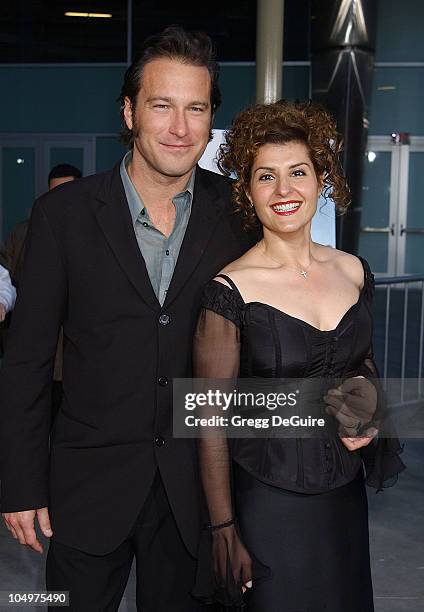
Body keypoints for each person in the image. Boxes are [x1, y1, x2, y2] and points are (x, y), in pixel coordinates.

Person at [0, 27, 255, 611]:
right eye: (161, 106)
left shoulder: (236, 214)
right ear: (129, 110)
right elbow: (27, 360)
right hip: (85, 490)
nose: (179, 128)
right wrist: (19, 484)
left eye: (196, 109)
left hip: (197, 494)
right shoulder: (61, 216)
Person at [192, 100, 405, 611]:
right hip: (268, 503)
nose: (284, 190)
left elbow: (363, 368)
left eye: (298, 172)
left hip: (342, 500)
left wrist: (369, 414)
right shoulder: (230, 289)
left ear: (321, 180)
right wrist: (224, 530)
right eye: (267, 176)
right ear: (247, 190)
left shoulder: (354, 270)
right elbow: (207, 421)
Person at [0, 164, 81, 409]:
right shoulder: (24, 233)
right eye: (55, 193)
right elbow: (7, 278)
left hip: (85, 358)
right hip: (37, 356)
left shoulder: (102, 231)